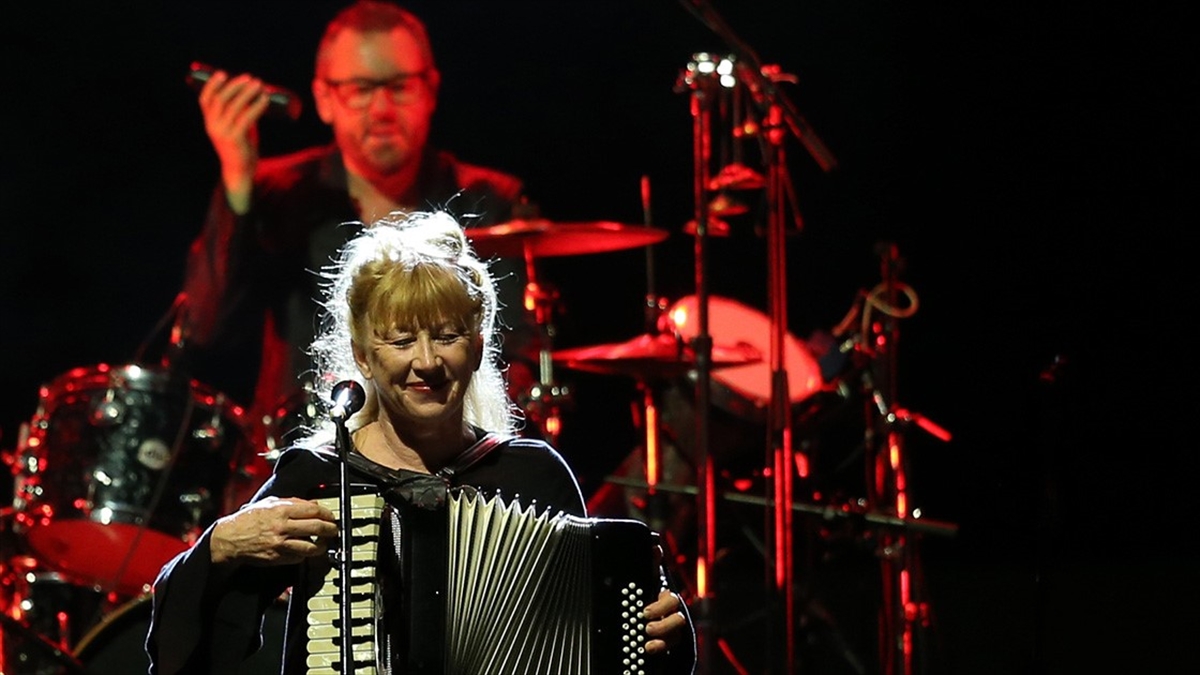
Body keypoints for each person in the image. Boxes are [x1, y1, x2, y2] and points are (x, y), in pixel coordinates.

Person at [146, 210, 696, 674]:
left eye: (448, 336)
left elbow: (614, 647)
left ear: (478, 347)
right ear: (363, 354)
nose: (427, 362)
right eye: (401, 339)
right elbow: (186, 656)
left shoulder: (533, 474)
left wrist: (664, 636)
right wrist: (217, 548)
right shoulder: (319, 476)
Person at [176, 0, 538, 468]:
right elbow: (205, 328)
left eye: (399, 87)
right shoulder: (281, 195)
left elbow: (523, 355)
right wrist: (238, 183)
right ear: (324, 98)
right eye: (361, 90)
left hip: (456, 464)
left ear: (431, 90)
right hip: (304, 465)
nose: (382, 109)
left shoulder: (490, 202)